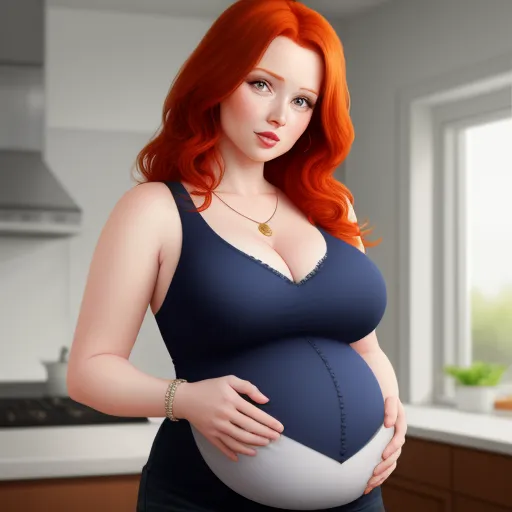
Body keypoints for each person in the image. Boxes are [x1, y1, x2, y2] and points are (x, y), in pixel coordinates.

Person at [67, 0, 407, 510]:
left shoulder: (332, 205)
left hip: (358, 495)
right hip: (205, 495)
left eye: (303, 101)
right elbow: (89, 370)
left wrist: (393, 414)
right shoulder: (155, 210)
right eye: (261, 84)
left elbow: (365, 349)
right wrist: (182, 399)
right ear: (217, 81)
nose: (279, 116)